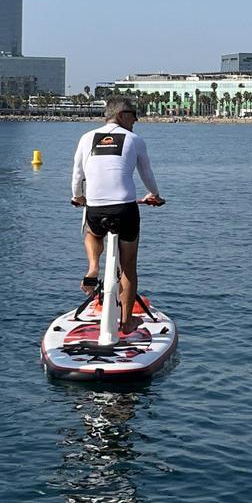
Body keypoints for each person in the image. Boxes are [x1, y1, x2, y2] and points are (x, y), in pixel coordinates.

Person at [71, 97, 165, 334]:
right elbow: (147, 173)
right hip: (124, 209)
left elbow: (77, 173)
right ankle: (126, 321)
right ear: (122, 114)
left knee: (92, 234)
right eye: (134, 115)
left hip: (96, 208)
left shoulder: (86, 138)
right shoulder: (134, 140)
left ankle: (93, 267)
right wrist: (154, 194)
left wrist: (78, 196)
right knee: (129, 266)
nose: (136, 121)